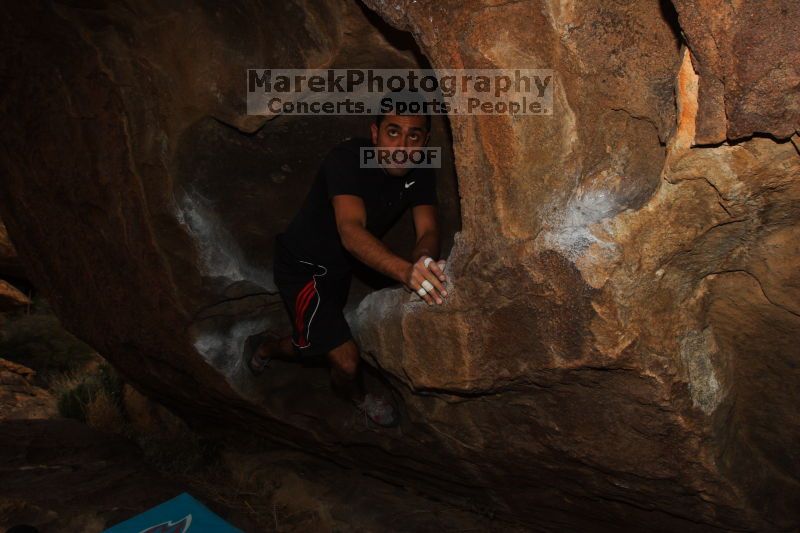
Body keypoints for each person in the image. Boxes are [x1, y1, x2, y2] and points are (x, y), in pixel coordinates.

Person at [242, 102, 448, 427]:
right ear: (375, 132)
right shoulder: (348, 159)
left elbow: (429, 229)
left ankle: (287, 341)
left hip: (339, 269)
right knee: (345, 359)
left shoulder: (421, 167)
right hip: (303, 267)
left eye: (414, 136)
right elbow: (351, 230)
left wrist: (423, 259)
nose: (403, 147)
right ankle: (348, 392)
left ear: (424, 142)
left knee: (316, 339)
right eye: (393, 132)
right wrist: (407, 272)